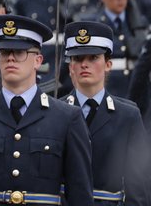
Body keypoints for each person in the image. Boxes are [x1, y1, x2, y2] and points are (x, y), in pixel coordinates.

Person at [0, 14, 93, 206]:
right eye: (4, 52)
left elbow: (80, 192)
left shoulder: (66, 117)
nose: (11, 58)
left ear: (38, 60)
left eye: (20, 52)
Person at [61, 20, 151, 206]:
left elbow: (138, 187)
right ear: (70, 67)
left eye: (93, 57)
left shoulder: (127, 116)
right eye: (77, 59)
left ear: (108, 64)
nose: (84, 64)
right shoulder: (55, 113)